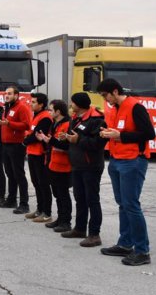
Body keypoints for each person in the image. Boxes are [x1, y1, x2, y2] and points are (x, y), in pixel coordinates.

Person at [98, 79, 155, 266]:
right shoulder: (114, 109)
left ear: (115, 91)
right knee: (123, 204)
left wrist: (119, 136)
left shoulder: (136, 107)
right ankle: (125, 244)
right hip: (117, 160)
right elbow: (117, 131)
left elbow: (149, 134)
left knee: (131, 205)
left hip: (133, 161)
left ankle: (142, 251)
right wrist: (107, 133)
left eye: (106, 96)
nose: (106, 100)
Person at [59, 92, 109, 248]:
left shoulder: (97, 120)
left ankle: (94, 234)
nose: (70, 105)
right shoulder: (75, 118)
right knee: (79, 197)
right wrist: (66, 137)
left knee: (92, 199)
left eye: (72, 102)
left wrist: (78, 139)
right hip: (77, 164)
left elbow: (98, 144)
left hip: (91, 166)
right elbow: (73, 137)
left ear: (79, 104)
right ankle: (80, 228)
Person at [0, 86, 32, 214]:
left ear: (16, 95)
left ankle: (24, 203)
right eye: (6, 93)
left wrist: (9, 124)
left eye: (9, 93)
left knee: (19, 174)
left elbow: (26, 125)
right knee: (10, 174)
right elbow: (6, 122)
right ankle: (11, 200)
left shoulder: (22, 107)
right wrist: (1, 123)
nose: (7, 95)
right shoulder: (7, 107)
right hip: (6, 144)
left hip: (16, 145)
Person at [37, 99, 72, 233]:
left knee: (63, 193)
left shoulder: (67, 124)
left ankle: (66, 222)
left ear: (58, 111)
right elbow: (53, 142)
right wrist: (46, 140)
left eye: (51, 110)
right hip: (53, 162)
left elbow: (65, 145)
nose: (49, 112)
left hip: (63, 165)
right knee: (57, 193)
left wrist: (49, 140)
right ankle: (60, 218)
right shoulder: (55, 124)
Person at [22, 93, 53, 222]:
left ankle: (47, 212)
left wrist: (24, 141)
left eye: (34, 102)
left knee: (43, 183)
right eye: (31, 101)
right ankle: (39, 209)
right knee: (36, 182)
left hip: (40, 154)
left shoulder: (45, 118)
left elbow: (37, 135)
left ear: (41, 104)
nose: (31, 104)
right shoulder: (36, 115)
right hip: (32, 153)